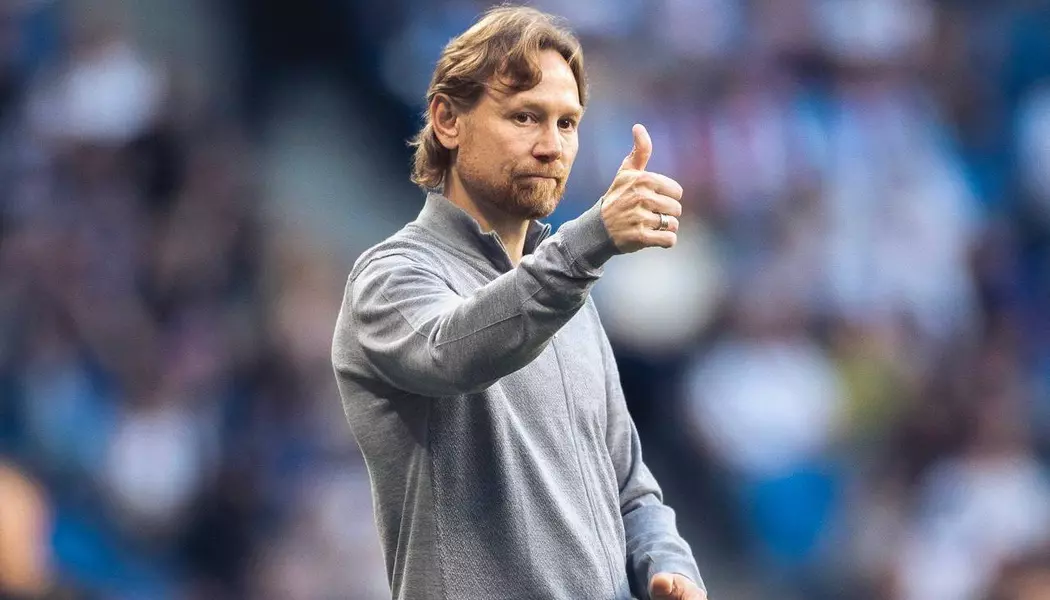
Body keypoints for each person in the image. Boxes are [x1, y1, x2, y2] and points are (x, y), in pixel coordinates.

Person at [331, 6, 706, 600]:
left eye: (567, 123)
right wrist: (591, 242)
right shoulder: (390, 278)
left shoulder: (571, 296)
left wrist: (670, 566)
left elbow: (631, 489)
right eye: (525, 117)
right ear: (447, 120)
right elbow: (453, 353)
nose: (551, 147)